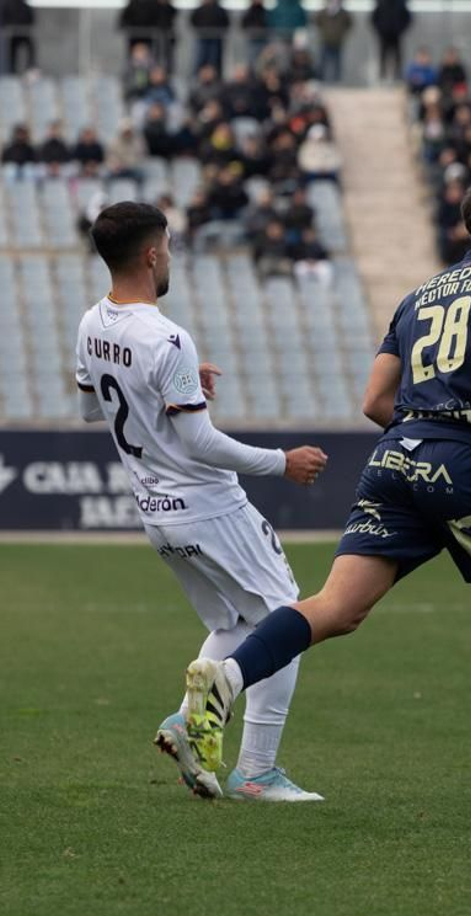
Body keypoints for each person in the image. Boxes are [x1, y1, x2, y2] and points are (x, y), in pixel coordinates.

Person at [177, 170, 471, 807]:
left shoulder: (421, 294)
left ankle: (228, 678)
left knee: (335, 608)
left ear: (468, 227)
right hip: (467, 465)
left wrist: (424, 434)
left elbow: (373, 400)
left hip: (396, 456)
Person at [76, 202, 328, 801]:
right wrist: (280, 462)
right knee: (287, 619)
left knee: (234, 622)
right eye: (169, 245)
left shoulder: (90, 322)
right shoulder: (167, 337)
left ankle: (183, 722)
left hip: (155, 513)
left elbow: (93, 408)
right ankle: (258, 773)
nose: (172, 256)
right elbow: (200, 441)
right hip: (209, 507)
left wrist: (173, 386)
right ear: (151, 254)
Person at [314, 0, 353, 84]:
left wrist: (342, 33)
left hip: (338, 41)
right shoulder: (323, 12)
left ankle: (337, 80)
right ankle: (320, 79)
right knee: (322, 61)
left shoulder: (343, 13)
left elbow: (349, 24)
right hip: (325, 40)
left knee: (337, 62)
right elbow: (317, 21)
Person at [371, 0, 411, 82]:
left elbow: (408, 18)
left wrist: (401, 29)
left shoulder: (400, 3)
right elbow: (373, 18)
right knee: (383, 55)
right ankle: (382, 74)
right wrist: (380, 29)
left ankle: (398, 74)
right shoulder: (381, 3)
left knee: (398, 55)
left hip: (396, 34)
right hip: (384, 34)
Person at [189, 0, 228, 76]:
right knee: (200, 59)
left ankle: (214, 77)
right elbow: (193, 20)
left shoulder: (219, 10)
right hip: (202, 38)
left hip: (215, 39)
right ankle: (197, 77)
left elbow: (225, 22)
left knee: (213, 60)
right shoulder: (199, 10)